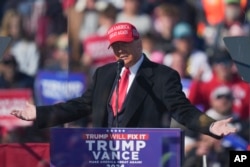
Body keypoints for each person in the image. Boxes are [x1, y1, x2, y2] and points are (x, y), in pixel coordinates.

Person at [10, 22, 236, 139]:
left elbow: (183, 110)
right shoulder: (104, 74)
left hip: (145, 156)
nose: (119, 50)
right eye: (115, 46)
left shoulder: (162, 76)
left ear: (139, 43)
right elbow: (81, 106)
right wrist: (40, 113)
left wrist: (211, 125)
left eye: (124, 44)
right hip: (105, 155)